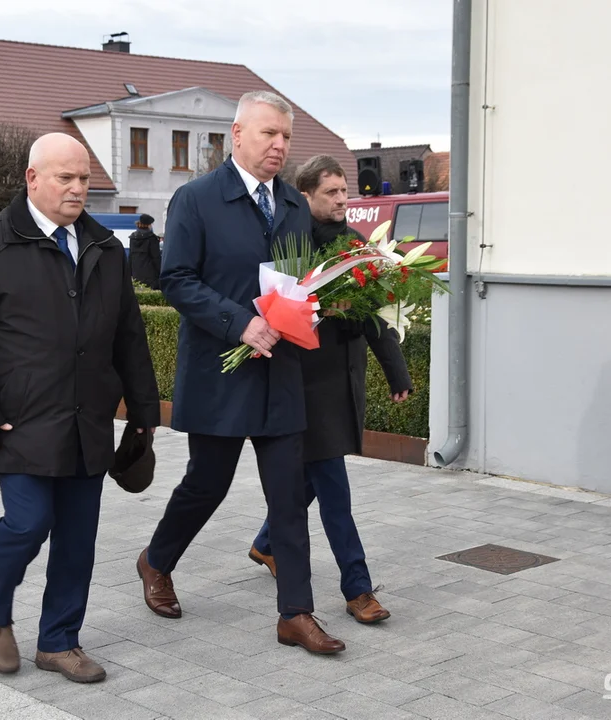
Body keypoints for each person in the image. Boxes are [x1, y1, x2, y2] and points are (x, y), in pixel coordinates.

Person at [0, 132, 159, 684]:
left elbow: (129, 333)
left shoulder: (106, 248)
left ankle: (59, 641)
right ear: (32, 178)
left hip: (88, 419)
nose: (78, 188)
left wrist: (143, 410)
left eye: (84, 178)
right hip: (19, 420)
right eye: (66, 177)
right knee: (29, 521)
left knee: (78, 537)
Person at [136, 90, 345, 654]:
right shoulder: (197, 199)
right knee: (208, 483)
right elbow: (176, 279)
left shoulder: (296, 207)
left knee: (287, 493)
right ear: (237, 133)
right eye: (268, 134)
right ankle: (156, 560)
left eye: (285, 137)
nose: (279, 146)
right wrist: (239, 324)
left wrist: (311, 306)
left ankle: (295, 614)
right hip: (221, 371)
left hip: (281, 372)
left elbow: (298, 280)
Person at [248, 155, 412, 623]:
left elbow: (374, 316)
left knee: (312, 481)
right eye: (332, 193)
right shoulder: (290, 246)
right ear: (306, 197)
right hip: (305, 386)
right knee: (334, 488)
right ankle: (358, 589)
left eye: (345, 192)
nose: (343, 200)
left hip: (345, 384)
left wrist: (395, 371)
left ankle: (265, 544)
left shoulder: (355, 244)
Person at [128, 213, 161, 289]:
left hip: (136, 274)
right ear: (149, 225)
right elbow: (156, 257)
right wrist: (160, 272)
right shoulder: (152, 238)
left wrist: (129, 273)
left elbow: (130, 257)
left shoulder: (133, 237)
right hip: (150, 275)